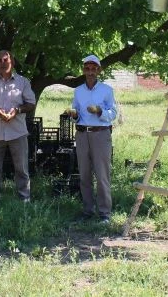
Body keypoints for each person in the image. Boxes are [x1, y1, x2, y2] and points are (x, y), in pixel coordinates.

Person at [0, 50, 37, 204]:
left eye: (6, 60)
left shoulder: (23, 82)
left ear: (13, 62)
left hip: (18, 132)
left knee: (21, 169)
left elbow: (31, 104)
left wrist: (17, 110)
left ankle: (24, 200)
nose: (3, 63)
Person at [68, 54, 117, 223]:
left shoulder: (106, 90)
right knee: (84, 174)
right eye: (87, 69)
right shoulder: (78, 91)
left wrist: (100, 111)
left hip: (100, 134)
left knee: (102, 175)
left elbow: (113, 114)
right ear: (83, 70)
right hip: (82, 134)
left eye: (93, 69)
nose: (90, 72)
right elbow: (76, 112)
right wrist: (73, 114)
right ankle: (87, 211)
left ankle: (104, 213)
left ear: (99, 70)